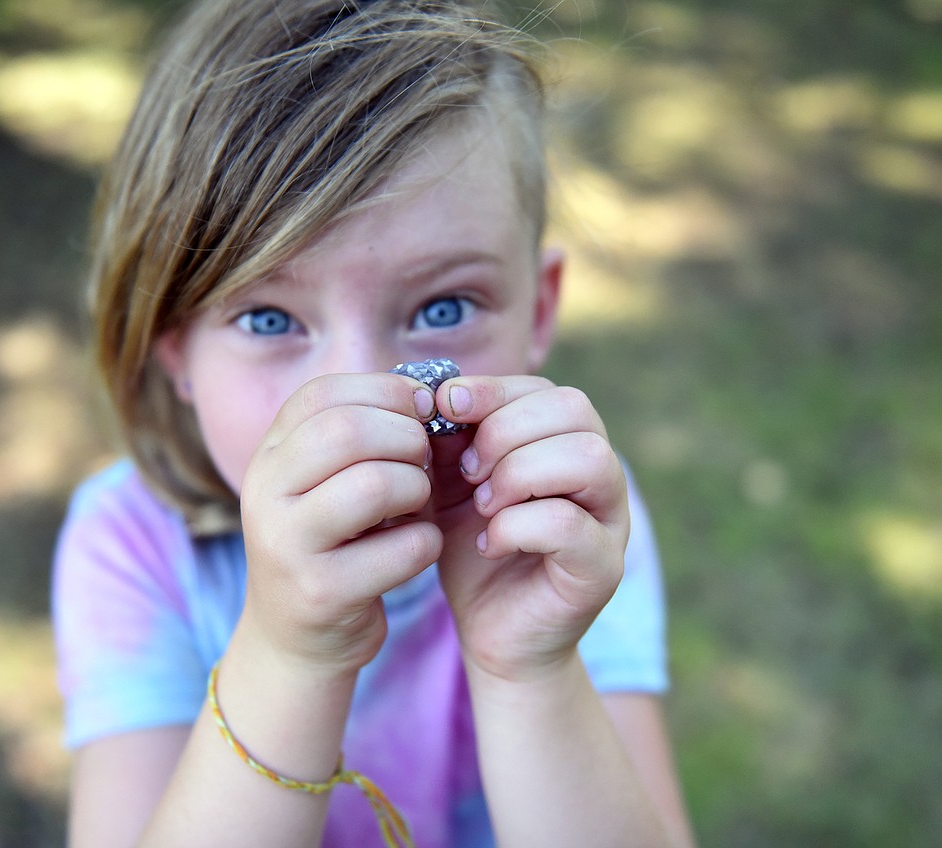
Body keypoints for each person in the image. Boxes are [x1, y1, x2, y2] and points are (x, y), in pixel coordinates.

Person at [52, 1, 695, 846]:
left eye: (443, 306)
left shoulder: (561, 525)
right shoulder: (133, 549)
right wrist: (289, 656)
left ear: (538, 312)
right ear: (175, 350)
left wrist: (529, 671)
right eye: (271, 319)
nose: (363, 392)